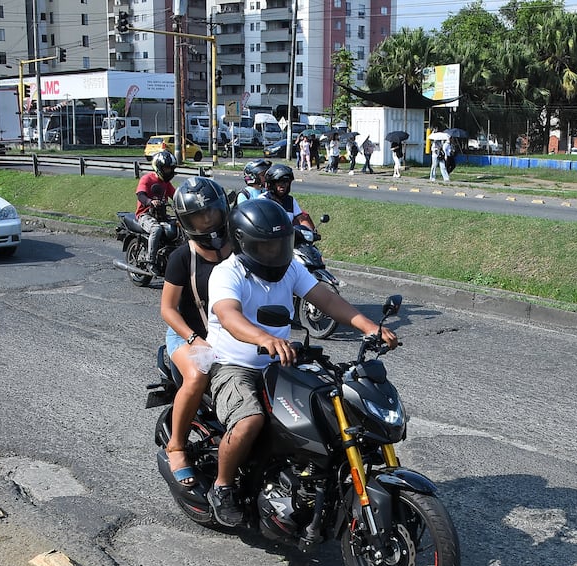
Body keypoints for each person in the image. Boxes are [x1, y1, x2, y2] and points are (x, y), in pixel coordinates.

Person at [203, 199, 399, 525]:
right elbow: (229, 315)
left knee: (327, 406)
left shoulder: (291, 267)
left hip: (281, 359)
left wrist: (369, 326)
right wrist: (263, 338)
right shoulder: (228, 273)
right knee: (249, 420)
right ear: (243, 243)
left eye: (280, 244)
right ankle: (222, 486)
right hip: (234, 363)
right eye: (266, 247)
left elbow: (325, 298)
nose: (274, 253)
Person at [158, 177, 232, 488]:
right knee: (199, 373)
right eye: (198, 218)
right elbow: (168, 309)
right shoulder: (181, 257)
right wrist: (192, 338)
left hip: (230, 332)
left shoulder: (238, 246)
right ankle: (177, 446)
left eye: (211, 214)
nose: (207, 222)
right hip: (188, 335)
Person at [136, 150, 178, 261]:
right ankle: (151, 260)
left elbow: (175, 196)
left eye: (170, 168)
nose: (168, 171)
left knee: (179, 227)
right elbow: (140, 195)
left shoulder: (166, 183)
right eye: (166, 168)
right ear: (158, 167)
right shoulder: (147, 179)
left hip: (161, 215)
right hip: (145, 215)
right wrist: (150, 202)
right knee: (156, 229)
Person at [261, 163, 316, 234]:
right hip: (269, 239)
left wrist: (309, 231)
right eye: (280, 182)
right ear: (272, 183)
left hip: (287, 239)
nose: (283, 185)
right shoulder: (263, 200)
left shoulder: (290, 200)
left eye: (286, 182)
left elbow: (302, 219)